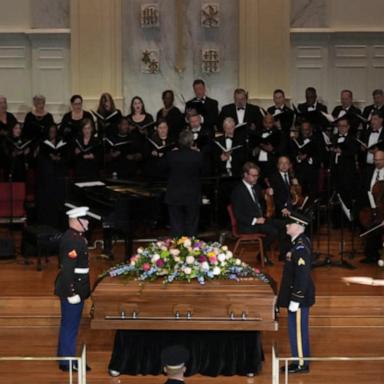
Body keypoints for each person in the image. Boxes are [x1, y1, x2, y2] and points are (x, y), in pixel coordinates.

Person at [54, 206, 92, 372]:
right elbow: (68, 269)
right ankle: (67, 362)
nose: (87, 221)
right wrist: (71, 292)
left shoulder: (77, 237)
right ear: (76, 221)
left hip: (77, 286)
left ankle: (65, 357)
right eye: (84, 219)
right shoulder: (73, 240)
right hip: (73, 288)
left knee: (70, 325)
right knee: (70, 326)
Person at [277, 211, 315, 374]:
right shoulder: (299, 242)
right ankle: (301, 357)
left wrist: (296, 298)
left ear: (299, 227)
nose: (287, 225)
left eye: (290, 223)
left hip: (299, 297)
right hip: (297, 295)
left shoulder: (300, 247)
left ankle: (300, 364)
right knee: (297, 329)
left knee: (298, 331)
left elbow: (302, 275)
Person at [231, 162, 289, 265]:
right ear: (245, 175)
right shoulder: (238, 191)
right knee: (273, 231)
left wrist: (266, 192)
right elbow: (238, 214)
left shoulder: (255, 186)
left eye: (257, 176)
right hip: (247, 224)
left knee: (284, 224)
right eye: (253, 176)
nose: (256, 178)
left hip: (260, 219)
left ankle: (283, 255)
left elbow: (260, 197)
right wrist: (255, 220)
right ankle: (261, 255)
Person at [164, 130, 203, 237]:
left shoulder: (171, 155)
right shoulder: (198, 156)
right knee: (192, 227)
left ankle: (177, 250)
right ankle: (192, 250)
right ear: (191, 142)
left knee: (176, 226)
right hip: (192, 196)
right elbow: (204, 172)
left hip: (174, 195)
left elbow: (163, 171)